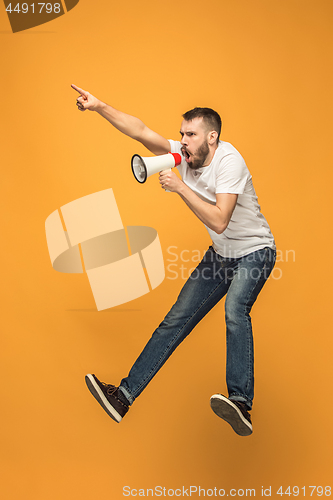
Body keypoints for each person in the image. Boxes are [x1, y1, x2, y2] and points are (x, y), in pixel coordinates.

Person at [72, 84, 276, 436]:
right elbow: (140, 131)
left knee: (235, 308)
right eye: (181, 132)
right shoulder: (184, 156)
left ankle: (241, 403)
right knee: (174, 322)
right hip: (222, 256)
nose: (182, 139)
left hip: (255, 251)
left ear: (211, 137)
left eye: (190, 134)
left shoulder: (230, 161)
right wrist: (100, 106)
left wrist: (181, 188)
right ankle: (123, 397)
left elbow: (219, 220)